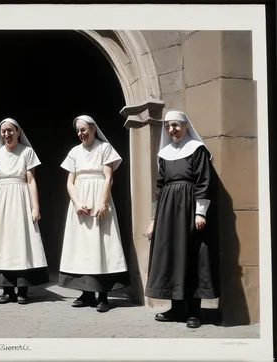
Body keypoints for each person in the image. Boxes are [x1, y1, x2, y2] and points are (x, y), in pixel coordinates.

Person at [146, 110, 218, 329]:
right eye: (168, 126)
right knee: (169, 256)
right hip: (167, 210)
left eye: (176, 125)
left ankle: (194, 312)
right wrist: (154, 219)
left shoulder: (197, 150)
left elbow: (203, 181)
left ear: (186, 126)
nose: (171, 130)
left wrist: (200, 212)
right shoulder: (165, 153)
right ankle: (176, 309)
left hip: (188, 208)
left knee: (192, 256)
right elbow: (159, 187)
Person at [58, 115, 129, 313]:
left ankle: (103, 296)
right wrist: (77, 202)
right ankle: (86, 293)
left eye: (84, 129)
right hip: (80, 203)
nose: (81, 133)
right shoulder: (74, 152)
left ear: (93, 129)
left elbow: (109, 177)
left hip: (99, 199)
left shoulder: (104, 149)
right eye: (78, 131)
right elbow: (70, 182)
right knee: (83, 246)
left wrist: (103, 201)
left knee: (102, 244)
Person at [0, 118, 49, 304]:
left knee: (21, 242)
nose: (6, 134)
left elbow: (31, 180)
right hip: (1, 201)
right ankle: (7, 290)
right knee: (4, 243)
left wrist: (35, 207)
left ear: (18, 132)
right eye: (3, 131)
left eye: (10, 130)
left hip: (21, 199)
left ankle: (22, 290)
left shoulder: (27, 152)